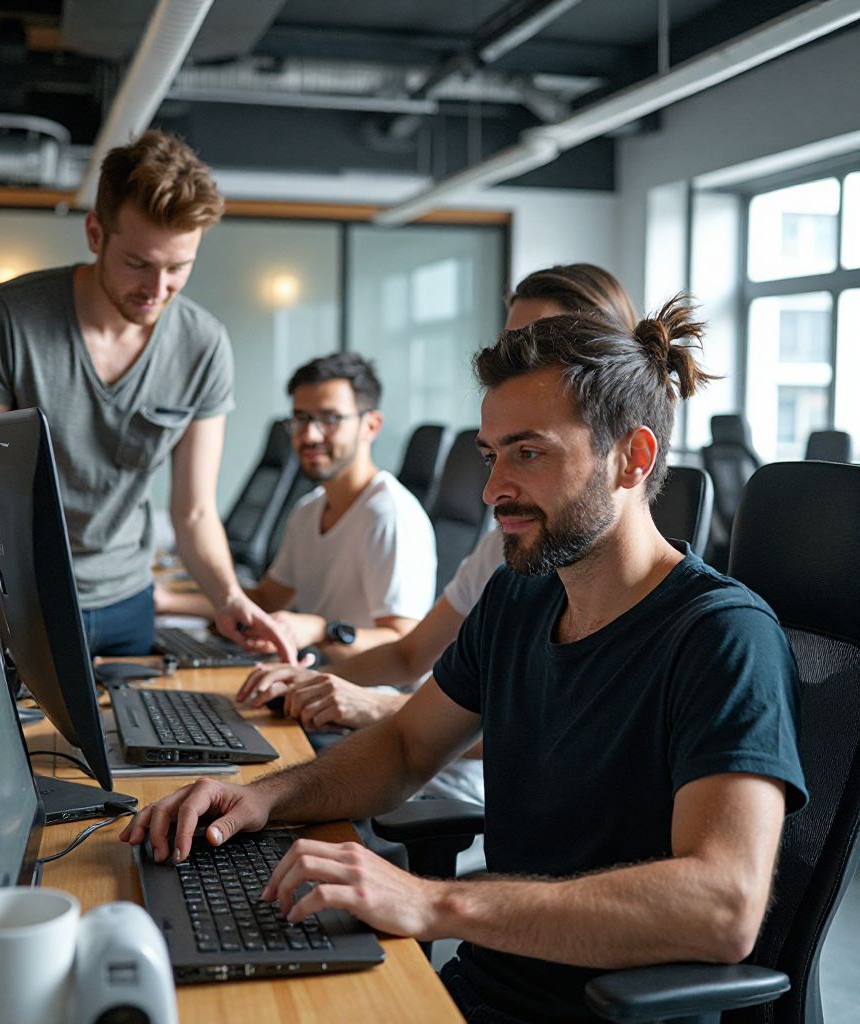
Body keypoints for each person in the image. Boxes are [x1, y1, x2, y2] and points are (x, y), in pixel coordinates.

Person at [121, 298, 807, 1023]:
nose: (492, 490)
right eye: (492, 455)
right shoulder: (522, 594)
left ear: (631, 458)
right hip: (479, 993)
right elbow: (408, 744)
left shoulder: (724, 638)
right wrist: (266, 798)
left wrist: (433, 901)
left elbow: (723, 908)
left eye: (529, 453)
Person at [237, 264, 640, 750]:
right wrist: (309, 680)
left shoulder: (672, 613)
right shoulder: (508, 556)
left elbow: (556, 736)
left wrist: (372, 703)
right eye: (506, 348)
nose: (491, 491)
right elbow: (411, 656)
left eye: (534, 347)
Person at [0, 130, 294, 660]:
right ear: (95, 233)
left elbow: (194, 512)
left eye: (178, 268)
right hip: (24, 600)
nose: (157, 290)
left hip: (131, 601)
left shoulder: (203, 345)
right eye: (139, 263)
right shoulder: (7, 319)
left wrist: (229, 597)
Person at [156, 352, 437, 665]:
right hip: (314, 680)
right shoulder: (308, 510)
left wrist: (320, 630)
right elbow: (264, 600)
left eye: (330, 419)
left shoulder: (391, 515)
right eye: (301, 418)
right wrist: (165, 602)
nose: (309, 435)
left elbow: (404, 643)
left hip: (373, 695)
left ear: (370, 426)